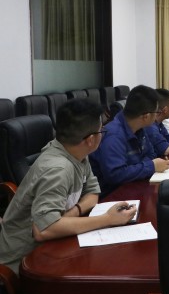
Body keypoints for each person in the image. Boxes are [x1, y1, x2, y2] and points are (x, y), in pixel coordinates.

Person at [0, 99, 137, 275]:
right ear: (91, 139)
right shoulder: (58, 169)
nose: (102, 135)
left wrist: (70, 214)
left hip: (53, 244)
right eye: (101, 131)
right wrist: (108, 219)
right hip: (23, 262)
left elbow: (93, 193)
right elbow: (44, 230)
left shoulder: (76, 151)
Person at [90, 85, 169, 197]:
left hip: (133, 185)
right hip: (111, 196)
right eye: (156, 112)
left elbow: (151, 154)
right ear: (146, 116)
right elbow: (116, 175)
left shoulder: (140, 128)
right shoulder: (113, 135)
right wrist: (150, 166)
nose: (157, 116)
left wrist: (140, 167)